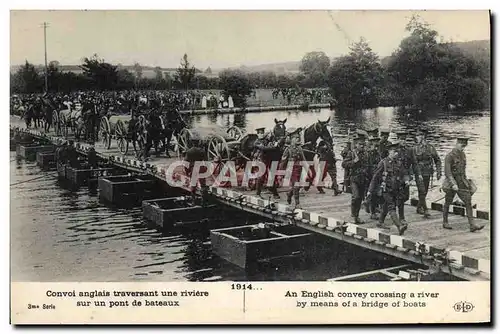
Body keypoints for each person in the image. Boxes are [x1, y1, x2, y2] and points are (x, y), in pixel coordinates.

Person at [442, 137, 485, 232]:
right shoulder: (449, 156)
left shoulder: (463, 155)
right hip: (451, 183)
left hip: (461, 182)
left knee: (468, 201)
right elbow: (447, 172)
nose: (463, 148)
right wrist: (453, 184)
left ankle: (472, 225)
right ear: (457, 143)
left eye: (464, 146)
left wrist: (467, 183)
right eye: (462, 146)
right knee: (448, 201)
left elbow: (463, 170)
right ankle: (445, 222)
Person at [367, 141, 408, 235]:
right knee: (391, 206)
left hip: (396, 189)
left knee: (386, 205)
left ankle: (380, 222)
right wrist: (370, 190)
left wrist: (406, 180)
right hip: (386, 189)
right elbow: (375, 177)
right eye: (394, 151)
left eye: (397, 152)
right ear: (390, 152)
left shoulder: (398, 163)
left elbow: (404, 173)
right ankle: (399, 226)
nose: (397, 153)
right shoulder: (383, 163)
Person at [341, 133, 370, 224]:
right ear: (356, 145)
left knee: (360, 198)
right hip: (354, 179)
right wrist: (354, 162)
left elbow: (368, 166)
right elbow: (344, 164)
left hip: (363, 179)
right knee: (355, 197)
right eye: (360, 144)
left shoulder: (366, 154)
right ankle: (353, 216)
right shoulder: (352, 153)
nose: (362, 146)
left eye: (363, 144)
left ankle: (357, 216)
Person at [395, 130, 422, 226]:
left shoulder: (410, 150)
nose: (403, 141)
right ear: (398, 139)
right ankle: (401, 217)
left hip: (406, 177)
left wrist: (418, 174)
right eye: (401, 139)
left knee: (406, 196)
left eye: (405, 140)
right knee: (400, 197)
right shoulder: (394, 150)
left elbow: (414, 163)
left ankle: (393, 207)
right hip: (396, 177)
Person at [413, 128, 441, 218]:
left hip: (427, 172)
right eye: (416, 136)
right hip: (419, 172)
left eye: (418, 136)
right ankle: (425, 210)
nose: (417, 138)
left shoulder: (430, 148)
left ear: (423, 137)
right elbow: (412, 162)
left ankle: (419, 207)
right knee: (422, 190)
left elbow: (437, 160)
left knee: (424, 191)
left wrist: (438, 171)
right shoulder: (415, 149)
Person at [280, 127, 308, 208]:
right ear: (292, 139)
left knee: (295, 186)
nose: (297, 139)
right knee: (296, 186)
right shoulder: (288, 149)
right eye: (296, 138)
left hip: (299, 169)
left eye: (298, 138)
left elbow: (303, 159)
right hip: (291, 170)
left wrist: (308, 170)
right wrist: (281, 173)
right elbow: (283, 161)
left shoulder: (299, 148)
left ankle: (289, 194)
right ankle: (297, 203)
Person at [252, 128, 280, 199]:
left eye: (262, 133)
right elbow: (264, 148)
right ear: (257, 134)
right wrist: (274, 146)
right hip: (261, 161)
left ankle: (275, 193)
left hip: (268, 159)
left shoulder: (266, 140)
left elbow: (272, 141)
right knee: (261, 177)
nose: (261, 134)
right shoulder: (256, 142)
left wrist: (275, 140)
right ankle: (258, 194)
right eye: (259, 133)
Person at [366, 136, 382, 219]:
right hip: (369, 176)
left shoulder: (377, 154)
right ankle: (372, 212)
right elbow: (367, 166)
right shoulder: (368, 154)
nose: (376, 147)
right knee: (372, 194)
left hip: (376, 176)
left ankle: (372, 208)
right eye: (375, 144)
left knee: (376, 194)